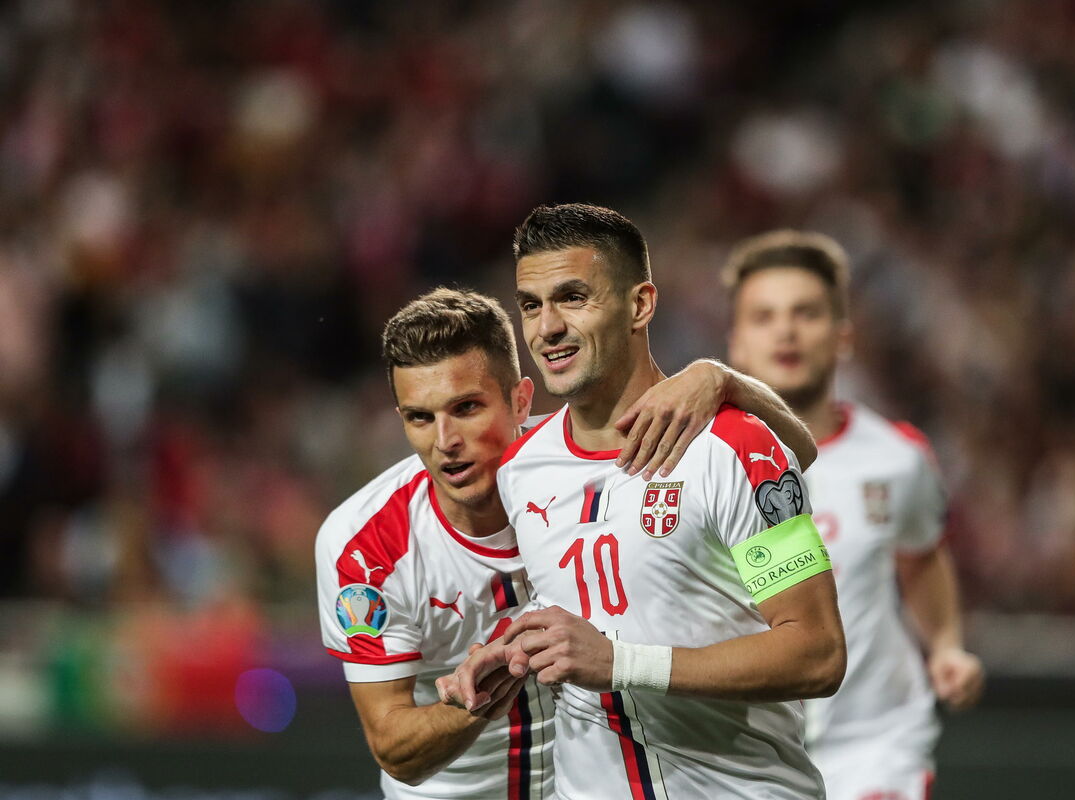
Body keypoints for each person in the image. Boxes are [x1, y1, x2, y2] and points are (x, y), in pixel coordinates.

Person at [316, 287, 819, 800]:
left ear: (521, 400)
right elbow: (395, 750)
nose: (444, 441)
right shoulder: (366, 545)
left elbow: (790, 456)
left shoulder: (576, 466)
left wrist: (723, 379)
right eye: (419, 417)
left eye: (466, 408)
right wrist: (479, 699)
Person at [440, 204, 846, 800]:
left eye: (572, 298)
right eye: (530, 304)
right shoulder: (522, 469)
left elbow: (817, 652)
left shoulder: (735, 447)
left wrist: (621, 664)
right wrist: (509, 651)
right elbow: (585, 610)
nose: (546, 327)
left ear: (639, 305)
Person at [723, 230, 986, 800]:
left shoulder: (899, 458)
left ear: (843, 335)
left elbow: (921, 557)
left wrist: (945, 644)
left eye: (806, 313)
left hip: (873, 746)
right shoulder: (696, 468)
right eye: (764, 317)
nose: (786, 331)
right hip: (743, 754)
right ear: (736, 344)